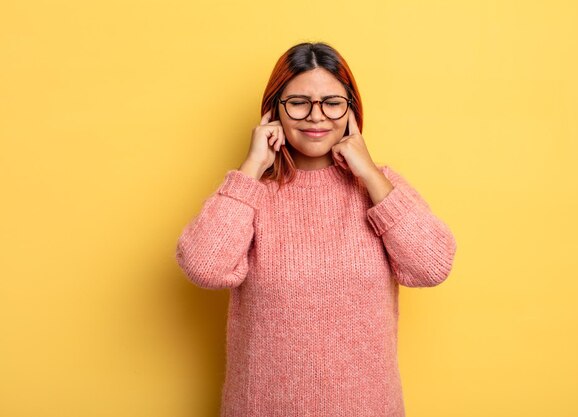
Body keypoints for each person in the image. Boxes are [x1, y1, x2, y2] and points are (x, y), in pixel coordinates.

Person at [175, 41, 457, 417]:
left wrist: (369, 173)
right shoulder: (252, 194)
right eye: (298, 102)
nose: (316, 116)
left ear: (351, 111)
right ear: (274, 109)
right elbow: (204, 267)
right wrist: (253, 167)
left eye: (332, 102)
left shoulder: (381, 188)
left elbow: (431, 267)